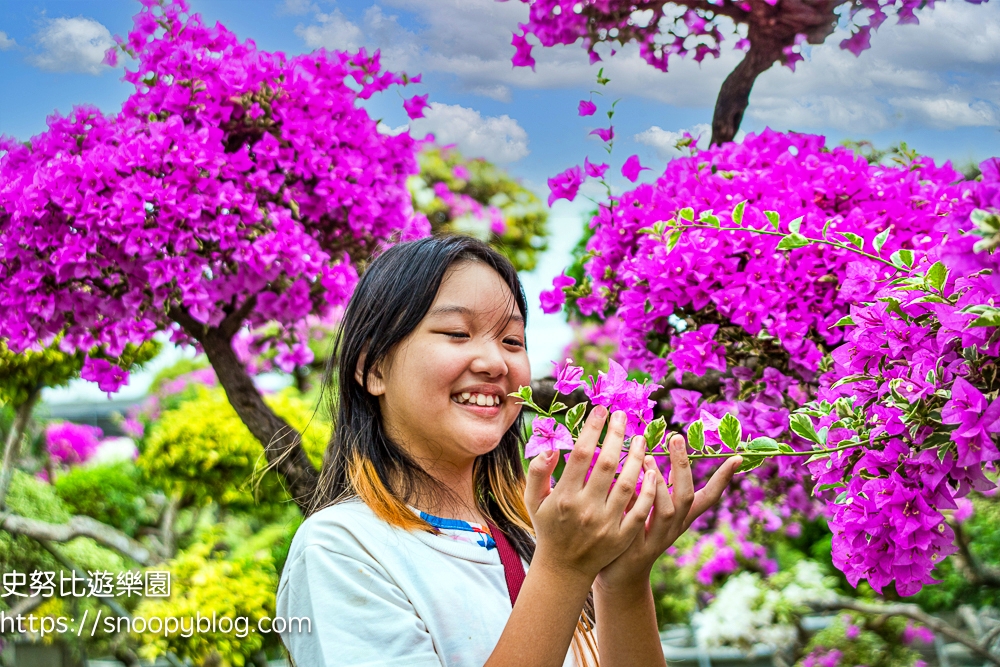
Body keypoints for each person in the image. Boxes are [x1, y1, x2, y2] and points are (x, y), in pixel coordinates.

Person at [275, 235, 742, 667]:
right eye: (457, 333)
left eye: (512, 341)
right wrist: (561, 569)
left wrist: (623, 578)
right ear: (373, 368)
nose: (496, 363)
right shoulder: (341, 550)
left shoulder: (541, 535)